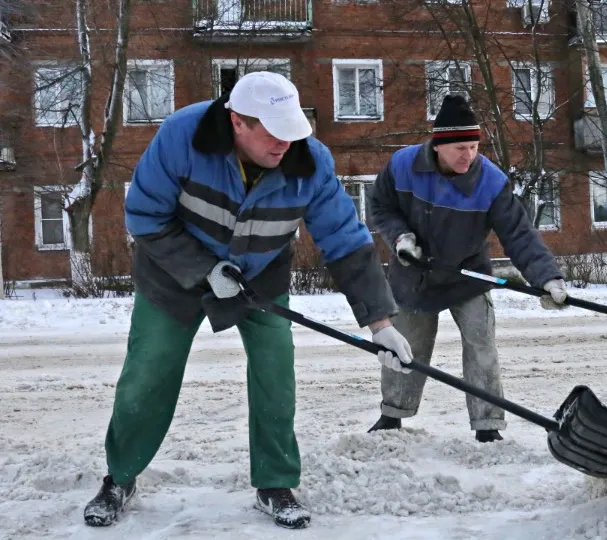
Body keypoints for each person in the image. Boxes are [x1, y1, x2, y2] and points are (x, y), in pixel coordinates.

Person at [82, 71, 413, 530]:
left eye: (291, 132)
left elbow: (344, 240)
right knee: (148, 373)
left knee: (275, 374)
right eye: (274, 134)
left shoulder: (310, 160)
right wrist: (204, 269)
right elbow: (144, 216)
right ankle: (120, 477)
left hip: (258, 277)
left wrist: (381, 324)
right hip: (172, 277)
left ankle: (275, 483)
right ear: (237, 121)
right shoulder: (182, 137)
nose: (285, 144)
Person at [365, 94, 568, 443]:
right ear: (438, 145)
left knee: (481, 345)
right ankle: (392, 414)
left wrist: (547, 277)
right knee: (406, 345)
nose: (469, 155)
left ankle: (488, 424)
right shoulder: (403, 165)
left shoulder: (491, 181)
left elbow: (519, 234)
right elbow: (380, 206)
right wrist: (401, 237)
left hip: (467, 275)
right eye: (460, 147)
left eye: (474, 147)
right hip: (414, 273)